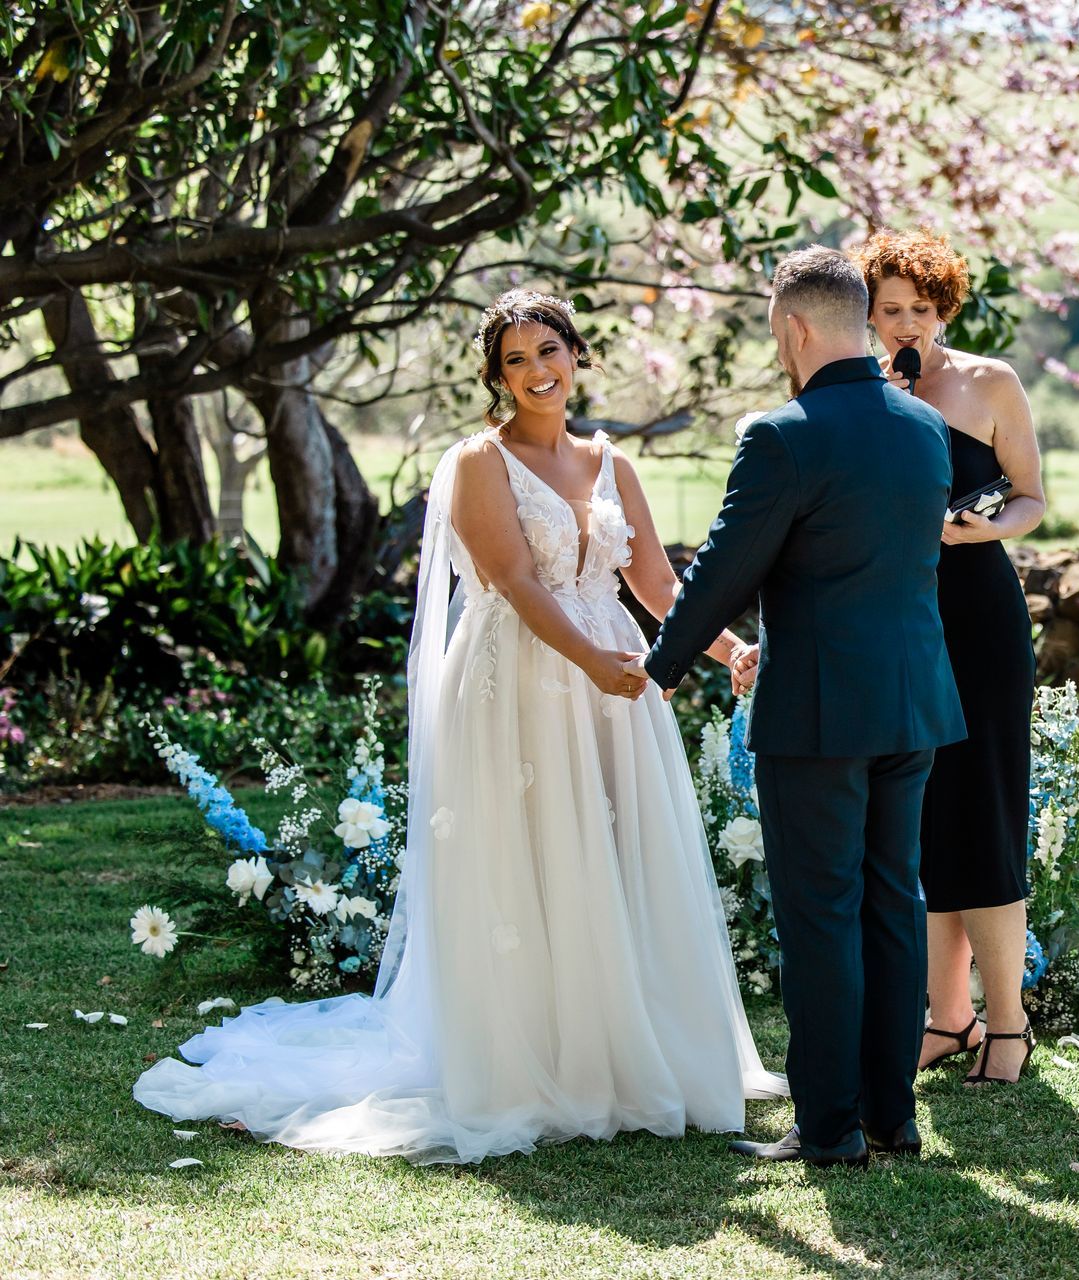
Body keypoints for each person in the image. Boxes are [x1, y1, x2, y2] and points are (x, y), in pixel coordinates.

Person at [132, 290, 783, 1164]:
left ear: (576, 353)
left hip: (615, 678)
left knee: (614, 849)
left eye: (549, 350)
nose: (537, 371)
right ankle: (535, 1059)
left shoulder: (610, 461)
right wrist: (589, 661)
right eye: (515, 361)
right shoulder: (481, 461)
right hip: (519, 675)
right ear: (496, 379)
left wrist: (731, 649)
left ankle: (625, 1046)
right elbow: (514, 581)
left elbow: (660, 584)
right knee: (533, 852)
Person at [646, 246, 964, 1167]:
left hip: (821, 712)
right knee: (891, 904)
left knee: (821, 914)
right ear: (862, 321)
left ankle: (827, 1128)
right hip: (913, 704)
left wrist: (661, 666)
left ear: (792, 328)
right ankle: (891, 1116)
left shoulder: (782, 435)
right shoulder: (922, 428)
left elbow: (720, 573)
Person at [853, 228, 1045, 1085]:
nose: (903, 324)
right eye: (887, 310)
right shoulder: (857, 392)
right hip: (900, 616)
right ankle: (949, 1016)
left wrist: (983, 528)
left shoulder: (989, 381)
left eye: (918, 310)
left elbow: (1033, 497)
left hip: (978, 614)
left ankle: (1009, 1023)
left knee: (988, 811)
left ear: (945, 310)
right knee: (924, 818)